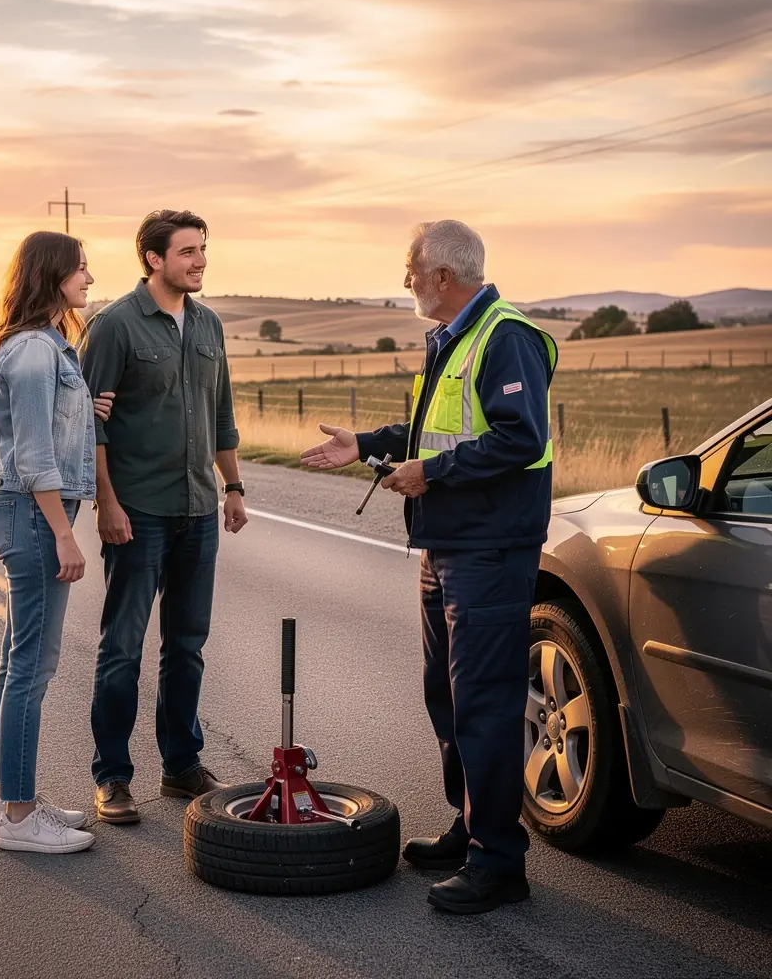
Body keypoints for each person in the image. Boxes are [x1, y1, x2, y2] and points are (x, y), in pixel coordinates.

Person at [301, 220, 557, 914]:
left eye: (410, 267)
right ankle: (470, 827)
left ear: (445, 275)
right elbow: (432, 432)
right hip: (446, 547)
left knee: (483, 703)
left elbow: (520, 439)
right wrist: (368, 443)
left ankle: (498, 862)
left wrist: (431, 472)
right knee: (446, 698)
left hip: (490, 551)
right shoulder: (452, 338)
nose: (405, 278)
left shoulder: (505, 336)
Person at [83, 209, 248, 825]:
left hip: (199, 509)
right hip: (138, 512)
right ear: (153, 259)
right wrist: (108, 503)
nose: (200, 261)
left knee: (187, 645)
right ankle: (113, 777)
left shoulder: (208, 325)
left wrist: (233, 486)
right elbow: (89, 426)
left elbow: (222, 413)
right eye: (188, 252)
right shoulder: (115, 327)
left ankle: (181, 766)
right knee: (121, 647)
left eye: (202, 250)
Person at [0, 231, 114, 853]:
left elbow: (45, 428)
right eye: (80, 269)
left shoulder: (45, 348)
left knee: (18, 665)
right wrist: (65, 534)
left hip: (27, 514)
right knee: (33, 669)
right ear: (52, 275)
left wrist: (88, 410)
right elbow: (33, 456)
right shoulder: (35, 351)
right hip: (35, 517)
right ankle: (18, 818)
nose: (89, 279)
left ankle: (18, 800)